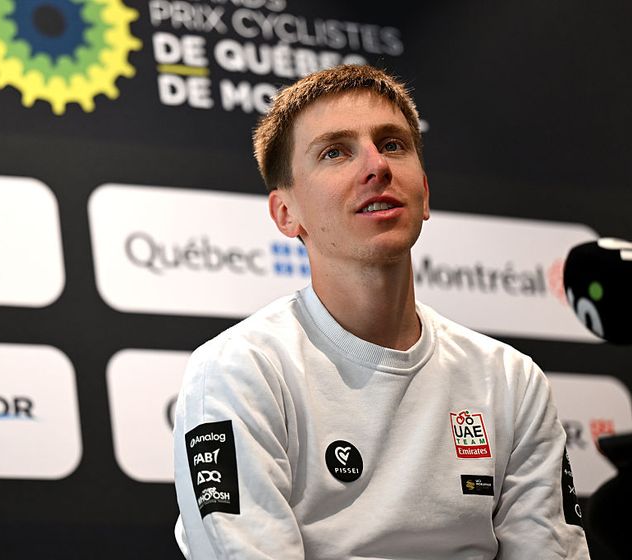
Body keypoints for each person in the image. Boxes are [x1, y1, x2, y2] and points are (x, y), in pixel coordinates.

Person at [172, 64, 590, 559]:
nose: (377, 167)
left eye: (392, 144)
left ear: (426, 192)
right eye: (335, 152)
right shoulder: (239, 371)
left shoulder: (510, 379)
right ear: (287, 213)